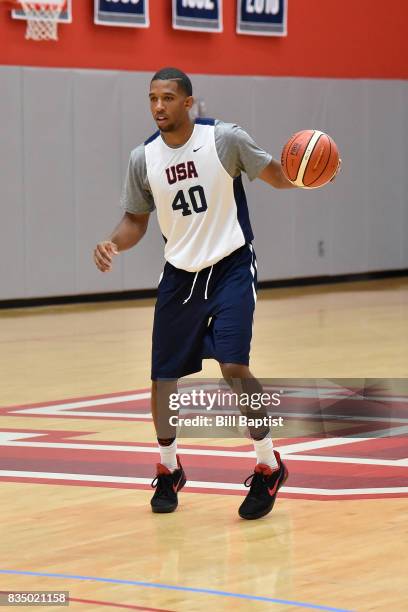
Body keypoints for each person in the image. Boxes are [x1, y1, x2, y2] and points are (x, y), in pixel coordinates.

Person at [93, 67, 321, 520]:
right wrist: (112, 243)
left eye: (168, 98)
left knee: (234, 364)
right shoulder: (144, 158)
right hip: (180, 275)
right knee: (162, 379)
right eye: (153, 98)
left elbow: (273, 173)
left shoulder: (224, 139)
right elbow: (136, 220)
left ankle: (268, 463)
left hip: (232, 266)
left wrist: (302, 175)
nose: (159, 106)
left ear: (189, 102)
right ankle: (169, 468)